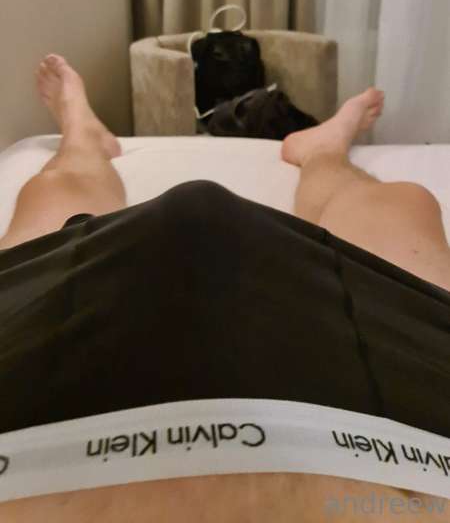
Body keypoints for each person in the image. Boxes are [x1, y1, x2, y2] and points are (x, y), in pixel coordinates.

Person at [0, 54, 448, 523]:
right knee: (401, 208)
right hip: (414, 391)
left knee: (55, 195)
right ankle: (324, 152)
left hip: (24, 350)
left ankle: (82, 138)